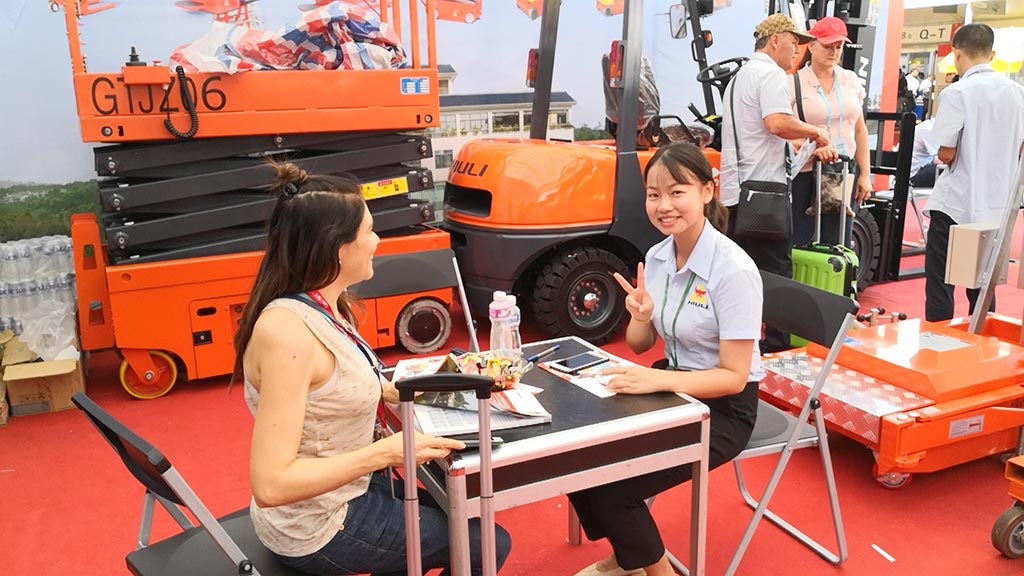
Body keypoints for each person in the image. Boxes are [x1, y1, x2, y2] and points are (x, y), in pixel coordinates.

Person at [234, 162, 512, 575]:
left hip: (354, 490)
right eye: (369, 230)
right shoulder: (287, 335)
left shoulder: (324, 305)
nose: (377, 240)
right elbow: (272, 484)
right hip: (320, 523)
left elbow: (334, 385)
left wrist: (445, 384)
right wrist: (386, 452)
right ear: (338, 246)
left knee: (465, 509)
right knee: (485, 542)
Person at [568, 142, 763, 576]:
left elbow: (733, 377)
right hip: (674, 386)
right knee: (577, 451)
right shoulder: (657, 257)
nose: (663, 205)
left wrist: (659, 381)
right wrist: (641, 316)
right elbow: (640, 345)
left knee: (616, 485)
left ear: (707, 191)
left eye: (677, 192)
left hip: (724, 409)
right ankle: (629, 555)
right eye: (654, 194)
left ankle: (653, 569)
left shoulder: (733, 271)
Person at [719, 13, 829, 352]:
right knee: (777, 271)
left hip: (735, 192)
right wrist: (815, 131)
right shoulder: (770, 74)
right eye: (794, 43)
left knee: (736, 274)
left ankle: (734, 340)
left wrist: (792, 142)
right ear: (775, 40)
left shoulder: (739, 77)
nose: (798, 50)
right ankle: (776, 346)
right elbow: (777, 122)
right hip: (763, 194)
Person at [923, 23, 1024, 322]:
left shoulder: (957, 92)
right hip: (997, 206)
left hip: (956, 203)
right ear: (991, 54)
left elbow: (946, 152)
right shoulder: (1018, 93)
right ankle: (981, 340)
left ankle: (937, 340)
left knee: (941, 284)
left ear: (956, 53)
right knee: (982, 286)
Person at [788, 16, 872, 247]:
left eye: (839, 46)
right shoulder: (793, 83)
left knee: (837, 243)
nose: (834, 52)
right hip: (805, 173)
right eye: (828, 46)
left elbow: (859, 130)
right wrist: (811, 147)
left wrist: (865, 174)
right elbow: (782, 130)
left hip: (842, 171)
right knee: (801, 242)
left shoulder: (850, 80)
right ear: (811, 45)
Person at [909, 118, 939, 188]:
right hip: (915, 173)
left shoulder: (930, 125)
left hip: (922, 166)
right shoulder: (929, 130)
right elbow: (942, 158)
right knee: (951, 171)